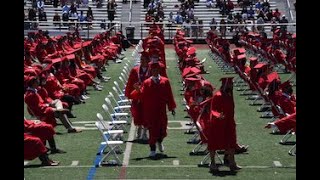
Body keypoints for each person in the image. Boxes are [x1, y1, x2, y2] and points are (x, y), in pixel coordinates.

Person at [131, 62, 176, 158]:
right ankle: (152, 149)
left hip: (161, 110)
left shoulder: (165, 81)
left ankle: (159, 141)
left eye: (156, 70)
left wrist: (171, 107)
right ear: (151, 71)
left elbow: (169, 95)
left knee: (162, 129)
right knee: (152, 130)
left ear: (159, 70)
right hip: (150, 110)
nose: (155, 71)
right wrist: (138, 90)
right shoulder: (147, 82)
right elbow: (142, 95)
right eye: (153, 70)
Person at [207, 77, 241, 173]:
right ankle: (212, 163)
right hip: (218, 123)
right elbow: (213, 109)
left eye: (232, 84)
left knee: (231, 143)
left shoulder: (229, 95)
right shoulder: (218, 95)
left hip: (229, 122)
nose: (232, 86)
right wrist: (218, 115)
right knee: (214, 144)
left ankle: (232, 163)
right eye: (230, 84)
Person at [125, 51, 151, 140]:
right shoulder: (135, 70)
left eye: (144, 59)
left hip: (147, 96)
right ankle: (139, 128)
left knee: (147, 114)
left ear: (148, 60)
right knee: (137, 113)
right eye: (141, 59)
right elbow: (130, 82)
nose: (142, 61)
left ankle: (144, 132)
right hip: (137, 95)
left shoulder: (151, 70)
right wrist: (129, 93)